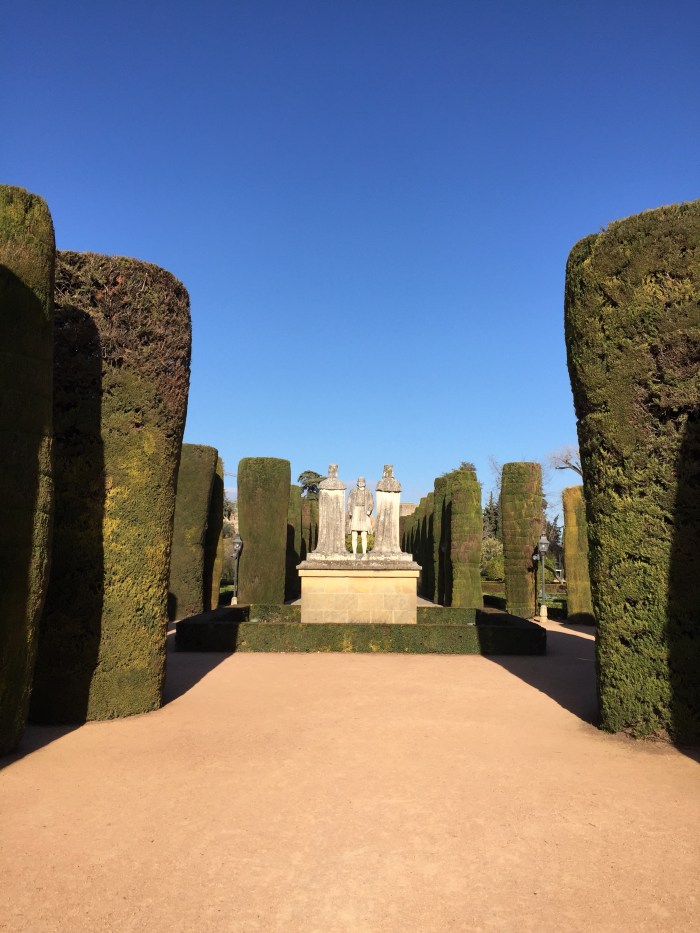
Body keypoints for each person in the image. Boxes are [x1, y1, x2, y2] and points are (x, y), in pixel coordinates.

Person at [347, 476, 373, 556]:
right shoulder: (352, 491)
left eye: (362, 481)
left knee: (364, 535)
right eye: (359, 481)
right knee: (354, 535)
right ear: (357, 482)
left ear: (364, 483)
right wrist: (350, 511)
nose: (361, 483)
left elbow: (371, 502)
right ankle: (354, 553)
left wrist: (369, 510)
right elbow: (349, 502)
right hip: (355, 512)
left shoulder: (368, 492)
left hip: (364, 513)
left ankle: (364, 553)